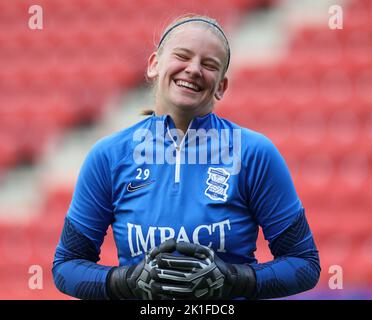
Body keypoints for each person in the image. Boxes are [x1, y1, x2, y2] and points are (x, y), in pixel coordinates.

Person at [52, 14, 320, 300]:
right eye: (183, 56)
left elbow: (304, 264)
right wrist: (125, 280)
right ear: (155, 64)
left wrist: (234, 279)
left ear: (221, 86)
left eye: (209, 65)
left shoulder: (254, 153)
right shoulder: (109, 156)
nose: (193, 70)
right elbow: (66, 266)